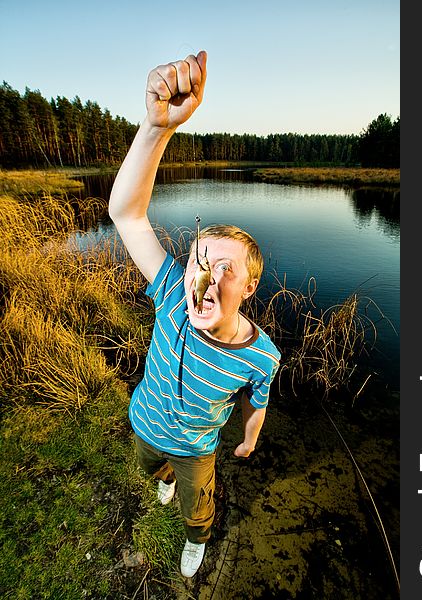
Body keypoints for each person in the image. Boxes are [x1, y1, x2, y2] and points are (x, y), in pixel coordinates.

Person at [108, 50, 280, 578]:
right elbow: (127, 213)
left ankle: (197, 537)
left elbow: (256, 403)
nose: (209, 277)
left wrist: (250, 437)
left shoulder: (261, 356)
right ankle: (160, 477)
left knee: (195, 502)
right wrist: (156, 128)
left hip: (197, 450)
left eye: (228, 269)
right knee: (147, 465)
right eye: (201, 261)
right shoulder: (170, 294)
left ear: (249, 286)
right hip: (144, 424)